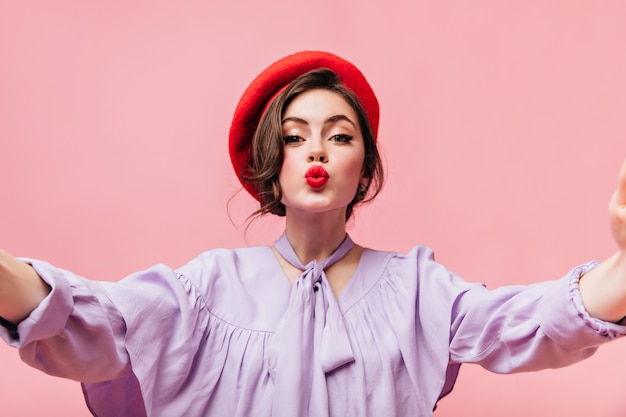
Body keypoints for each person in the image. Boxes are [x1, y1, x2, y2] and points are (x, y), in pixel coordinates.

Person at [1, 50, 625, 417]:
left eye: (340, 134)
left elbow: (529, 322)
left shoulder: (417, 289)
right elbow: (94, 321)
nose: (316, 149)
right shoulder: (202, 289)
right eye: (295, 136)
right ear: (271, 162)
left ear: (365, 167)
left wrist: (622, 273)